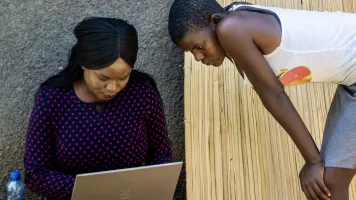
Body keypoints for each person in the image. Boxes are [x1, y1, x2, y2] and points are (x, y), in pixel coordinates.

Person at [168, 1, 356, 200]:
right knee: (327, 183)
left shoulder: (231, 29)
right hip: (351, 82)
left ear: (215, 21)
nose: (197, 57)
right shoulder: (233, 22)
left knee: (329, 182)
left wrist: (313, 161)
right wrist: (314, 161)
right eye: (191, 52)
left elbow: (274, 95)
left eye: (199, 46)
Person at [24, 17, 172, 200]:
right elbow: (36, 173)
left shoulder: (142, 92)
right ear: (84, 63)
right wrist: (92, 191)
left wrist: (143, 188)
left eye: (123, 78)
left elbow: (161, 155)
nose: (113, 88)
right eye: (103, 78)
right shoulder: (53, 98)